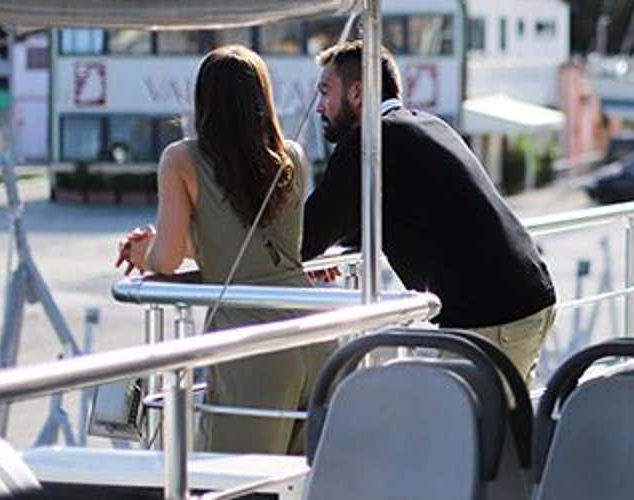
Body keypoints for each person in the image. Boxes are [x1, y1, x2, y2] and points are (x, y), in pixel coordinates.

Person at [115, 45, 329, 455]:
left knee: (231, 483)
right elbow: (260, 245)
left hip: (250, 342)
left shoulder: (181, 159)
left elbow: (167, 260)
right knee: (301, 482)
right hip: (315, 334)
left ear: (204, 100)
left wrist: (143, 253)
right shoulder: (293, 157)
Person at [302, 41, 557, 383]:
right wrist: (331, 247)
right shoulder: (425, 125)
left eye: (325, 91)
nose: (320, 107)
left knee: (465, 432)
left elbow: (306, 234)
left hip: (491, 315)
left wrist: (311, 249)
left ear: (358, 92)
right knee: (499, 428)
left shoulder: (371, 140)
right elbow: (385, 213)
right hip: (525, 296)